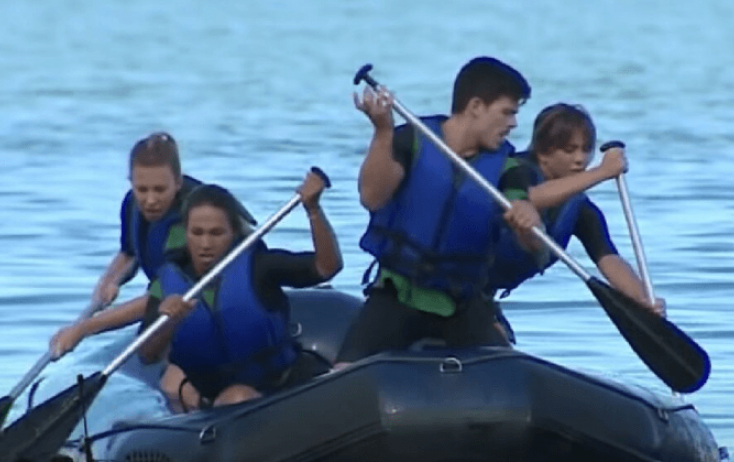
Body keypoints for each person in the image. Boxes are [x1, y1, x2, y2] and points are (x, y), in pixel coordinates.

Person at [335, 57, 542, 365]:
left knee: (509, 373)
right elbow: (372, 197)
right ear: (475, 106)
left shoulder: (508, 168)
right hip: (400, 294)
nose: (513, 123)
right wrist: (382, 131)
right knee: (344, 372)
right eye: (507, 112)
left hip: (462, 303)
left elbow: (522, 208)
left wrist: (528, 221)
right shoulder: (412, 139)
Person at [138, 171, 343, 411]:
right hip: (220, 404)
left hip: (284, 386)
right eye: (197, 233)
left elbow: (327, 267)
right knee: (209, 392)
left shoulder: (258, 266)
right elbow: (147, 354)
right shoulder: (167, 283)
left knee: (238, 396)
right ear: (185, 232)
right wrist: (167, 323)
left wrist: (314, 211)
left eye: (216, 233)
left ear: (233, 233)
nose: (205, 244)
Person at [48, 132, 257, 359]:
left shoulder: (191, 223)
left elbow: (159, 295)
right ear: (131, 183)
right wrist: (109, 281)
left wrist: (84, 328)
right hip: (172, 301)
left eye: (159, 189)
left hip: (223, 303)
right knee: (146, 353)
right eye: (142, 189)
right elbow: (129, 253)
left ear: (177, 182)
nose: (150, 200)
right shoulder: (131, 204)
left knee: (151, 351)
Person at [490, 103, 666, 317]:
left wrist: (643, 299)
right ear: (543, 152)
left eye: (586, 149)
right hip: (461, 278)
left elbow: (608, 258)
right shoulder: (516, 170)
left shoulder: (578, 208)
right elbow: (530, 198)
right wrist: (602, 172)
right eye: (569, 150)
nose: (580, 159)